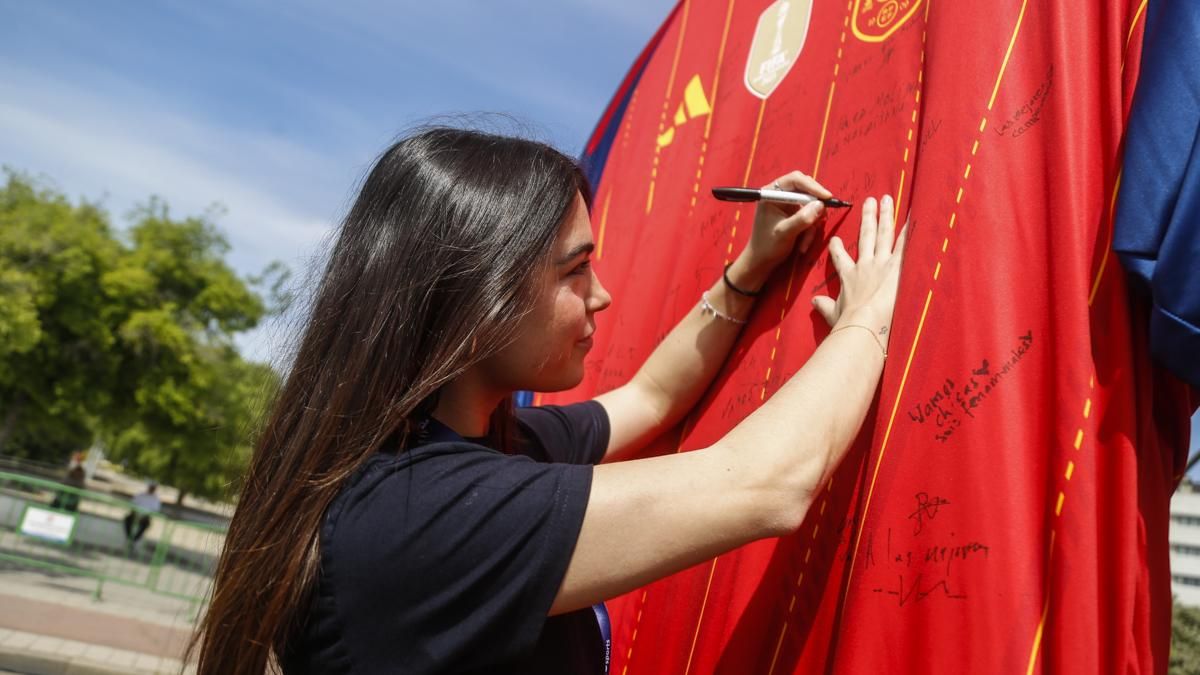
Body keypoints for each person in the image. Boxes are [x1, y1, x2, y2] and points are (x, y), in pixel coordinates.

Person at [192, 127, 906, 674]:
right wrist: (869, 318)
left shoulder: (483, 450)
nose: (601, 294)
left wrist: (750, 267)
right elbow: (765, 484)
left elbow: (650, 396)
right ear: (478, 300)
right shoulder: (421, 518)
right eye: (575, 269)